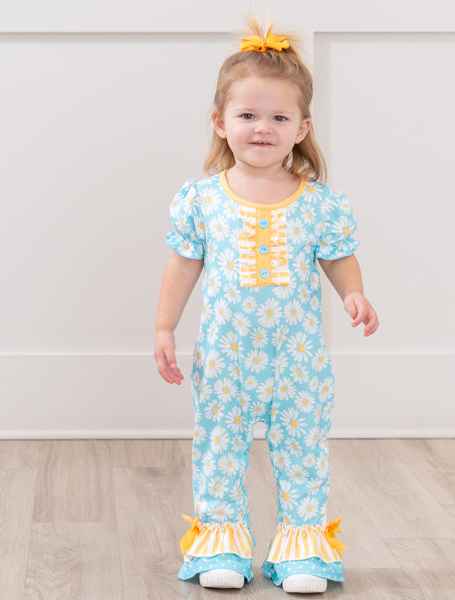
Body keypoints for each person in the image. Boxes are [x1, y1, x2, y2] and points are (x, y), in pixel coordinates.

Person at [154, 17, 379, 595]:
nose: (263, 128)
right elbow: (183, 265)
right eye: (248, 115)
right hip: (226, 360)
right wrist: (164, 328)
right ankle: (221, 542)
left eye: (279, 118)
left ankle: (302, 545)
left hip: (297, 362)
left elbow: (339, 257)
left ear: (302, 128)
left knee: (303, 451)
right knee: (218, 449)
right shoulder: (203, 199)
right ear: (220, 122)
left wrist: (353, 293)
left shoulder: (319, 203)